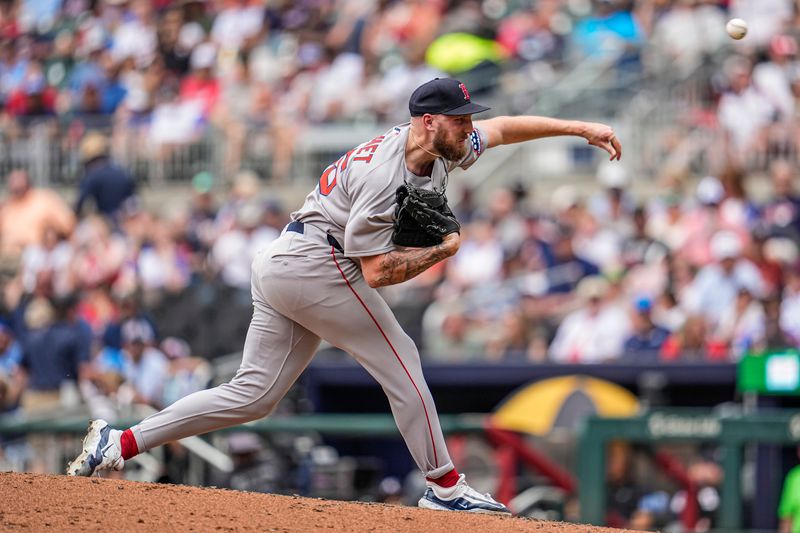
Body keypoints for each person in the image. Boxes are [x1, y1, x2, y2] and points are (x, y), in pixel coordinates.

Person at [67, 77, 621, 514]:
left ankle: (119, 442)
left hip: (289, 258)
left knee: (254, 395)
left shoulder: (437, 145)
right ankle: (446, 486)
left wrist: (578, 128)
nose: (467, 126)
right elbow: (376, 272)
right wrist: (441, 252)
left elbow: (501, 129)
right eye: (458, 119)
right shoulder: (388, 176)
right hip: (315, 262)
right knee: (400, 358)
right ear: (428, 122)